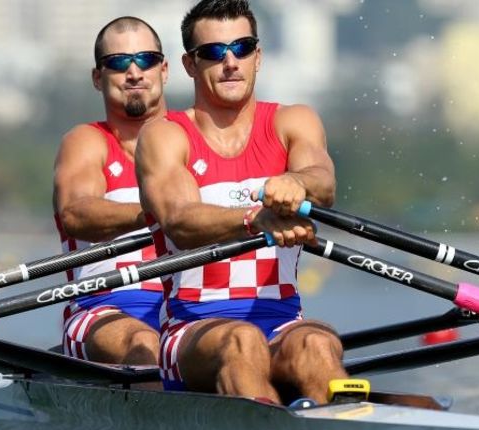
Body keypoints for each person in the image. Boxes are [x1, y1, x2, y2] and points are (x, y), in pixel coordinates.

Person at [136, 0, 349, 404]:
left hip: (284, 320)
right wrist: (256, 219)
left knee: (319, 346)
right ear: (189, 65)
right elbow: (181, 220)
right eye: (213, 53)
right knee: (242, 341)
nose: (230, 61)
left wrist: (296, 181)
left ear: (258, 56)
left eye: (242, 48)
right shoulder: (165, 136)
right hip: (191, 329)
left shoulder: (293, 121)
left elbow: (323, 183)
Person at [53, 16, 169, 365]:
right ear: (97, 78)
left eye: (145, 60)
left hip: (189, 307)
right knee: (147, 345)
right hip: (101, 311)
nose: (134, 73)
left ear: (164, 70)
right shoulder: (86, 142)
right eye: (118, 63)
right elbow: (76, 214)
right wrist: (162, 213)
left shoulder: (193, 140)